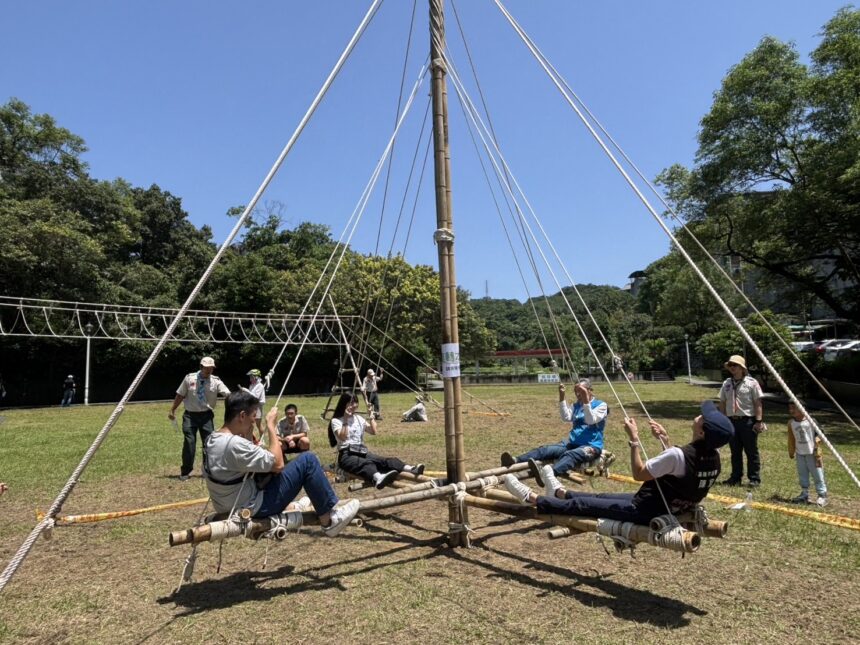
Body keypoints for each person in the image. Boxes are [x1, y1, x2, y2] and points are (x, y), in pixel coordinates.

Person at [504, 401, 733, 525]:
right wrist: (664, 441)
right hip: (667, 505)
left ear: (702, 431)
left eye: (702, 417)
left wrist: (634, 439)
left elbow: (640, 474)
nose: (699, 416)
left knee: (584, 507)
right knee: (600, 498)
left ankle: (532, 498)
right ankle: (560, 491)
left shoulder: (679, 455)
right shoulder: (713, 458)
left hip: (646, 510)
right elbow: (679, 471)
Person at [204, 390, 359, 536]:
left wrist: (248, 433)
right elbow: (278, 465)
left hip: (226, 504)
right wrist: (271, 426)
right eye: (253, 416)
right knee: (309, 460)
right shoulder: (234, 445)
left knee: (293, 465)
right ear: (242, 415)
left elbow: (246, 456)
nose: (254, 421)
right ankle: (329, 520)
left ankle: (293, 507)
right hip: (252, 506)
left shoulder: (212, 439)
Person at [500, 378, 609, 477]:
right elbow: (566, 417)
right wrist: (562, 397)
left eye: (581, 391)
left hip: (590, 447)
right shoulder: (576, 405)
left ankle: (547, 474)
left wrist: (586, 402)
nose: (578, 394)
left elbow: (590, 420)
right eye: (576, 391)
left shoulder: (601, 405)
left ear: (589, 390)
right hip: (572, 444)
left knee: (570, 455)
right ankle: (515, 460)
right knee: (545, 450)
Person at [327, 392, 424, 489]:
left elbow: (373, 431)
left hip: (361, 451)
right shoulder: (336, 421)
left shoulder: (359, 418)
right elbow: (343, 437)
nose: (354, 405)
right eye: (351, 403)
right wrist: (345, 419)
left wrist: (371, 416)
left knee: (384, 461)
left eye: (356, 403)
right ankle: (378, 478)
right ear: (344, 404)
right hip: (346, 455)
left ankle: (411, 469)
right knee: (366, 464)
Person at [168, 356, 231, 481]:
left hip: (206, 416)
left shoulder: (216, 381)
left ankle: (207, 470)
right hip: (190, 416)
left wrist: (237, 399)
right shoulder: (189, 378)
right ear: (201, 367)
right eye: (206, 368)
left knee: (208, 444)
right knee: (189, 442)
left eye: (211, 368)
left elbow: (227, 393)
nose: (209, 371)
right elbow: (180, 394)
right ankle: (185, 471)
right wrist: (173, 409)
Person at [718, 354, 765, 487]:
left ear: (742, 368)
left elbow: (758, 403)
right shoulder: (726, 383)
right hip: (731, 421)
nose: (732, 367)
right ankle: (735, 477)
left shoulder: (752, 383)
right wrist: (722, 420)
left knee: (751, 451)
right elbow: (722, 402)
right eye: (731, 365)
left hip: (747, 421)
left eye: (735, 365)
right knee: (735, 451)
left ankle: (754, 479)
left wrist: (759, 421)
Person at [787, 400, 828, 507]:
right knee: (802, 474)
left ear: (802, 409)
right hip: (800, 453)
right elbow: (791, 438)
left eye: (794, 408)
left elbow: (821, 434)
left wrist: (817, 441)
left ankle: (822, 495)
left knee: (817, 474)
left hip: (813, 454)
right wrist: (791, 451)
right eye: (790, 408)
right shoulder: (791, 423)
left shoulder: (811, 421)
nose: (791, 410)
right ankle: (804, 494)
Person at [246, 369, 266, 435]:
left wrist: (246, 391)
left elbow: (255, 397)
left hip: (257, 406)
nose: (250, 378)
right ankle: (250, 439)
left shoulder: (260, 386)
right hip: (251, 406)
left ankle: (262, 440)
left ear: (256, 377)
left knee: (258, 424)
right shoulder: (251, 385)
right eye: (250, 377)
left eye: (251, 377)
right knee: (250, 424)